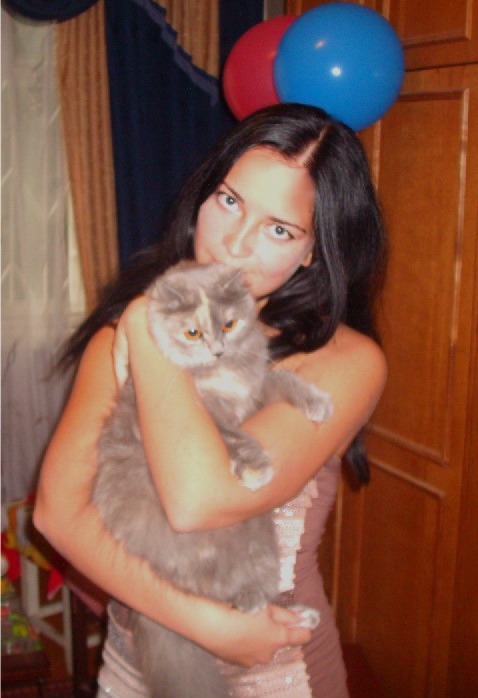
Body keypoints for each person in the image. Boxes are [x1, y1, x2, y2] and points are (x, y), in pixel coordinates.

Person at [34, 103, 387, 697]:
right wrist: (205, 625)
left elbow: (201, 499)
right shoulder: (119, 338)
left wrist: (146, 323)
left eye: (279, 229)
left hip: (281, 675)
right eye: (229, 200)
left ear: (313, 251)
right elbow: (56, 514)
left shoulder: (345, 362)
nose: (234, 244)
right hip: (136, 669)